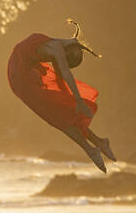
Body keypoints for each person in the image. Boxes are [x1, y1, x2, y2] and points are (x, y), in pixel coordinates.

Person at [7, 20, 116, 173]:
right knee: (57, 116)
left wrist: (69, 101)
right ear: (68, 51)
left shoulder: (57, 47)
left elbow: (62, 80)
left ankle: (96, 145)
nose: (63, 61)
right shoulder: (56, 48)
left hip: (25, 75)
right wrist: (77, 100)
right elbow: (66, 74)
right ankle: (95, 146)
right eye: (67, 58)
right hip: (20, 75)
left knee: (60, 115)